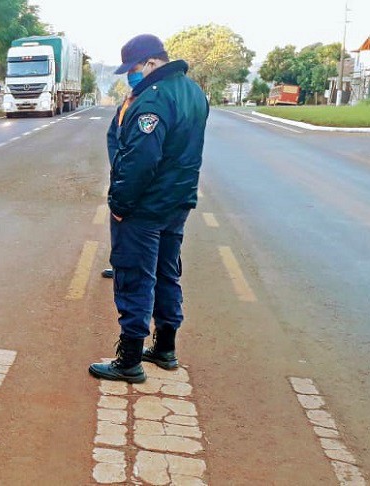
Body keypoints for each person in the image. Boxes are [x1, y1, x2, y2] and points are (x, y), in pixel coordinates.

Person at [88, 34, 209, 383]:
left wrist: (120, 204)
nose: (132, 75)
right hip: (177, 202)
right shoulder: (193, 91)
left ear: (153, 62)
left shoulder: (152, 101)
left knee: (134, 276)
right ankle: (165, 346)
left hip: (144, 207)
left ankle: (128, 360)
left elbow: (141, 161)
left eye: (135, 68)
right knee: (167, 273)